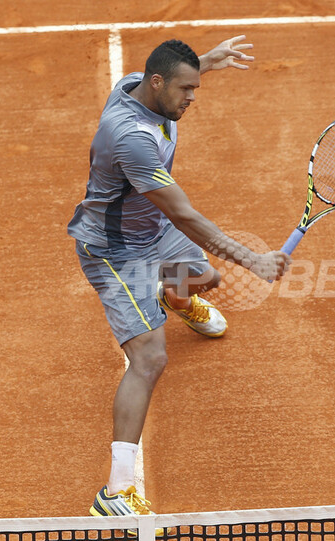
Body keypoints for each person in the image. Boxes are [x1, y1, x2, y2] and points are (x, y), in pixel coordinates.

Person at [67, 36, 291, 521]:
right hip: (115, 250)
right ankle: (115, 491)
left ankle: (177, 299)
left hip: (151, 230)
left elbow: (168, 78)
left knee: (204, 277)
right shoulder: (131, 137)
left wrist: (204, 63)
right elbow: (185, 215)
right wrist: (252, 260)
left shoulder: (137, 85)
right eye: (185, 89)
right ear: (157, 83)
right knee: (150, 359)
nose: (192, 97)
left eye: (195, 87)